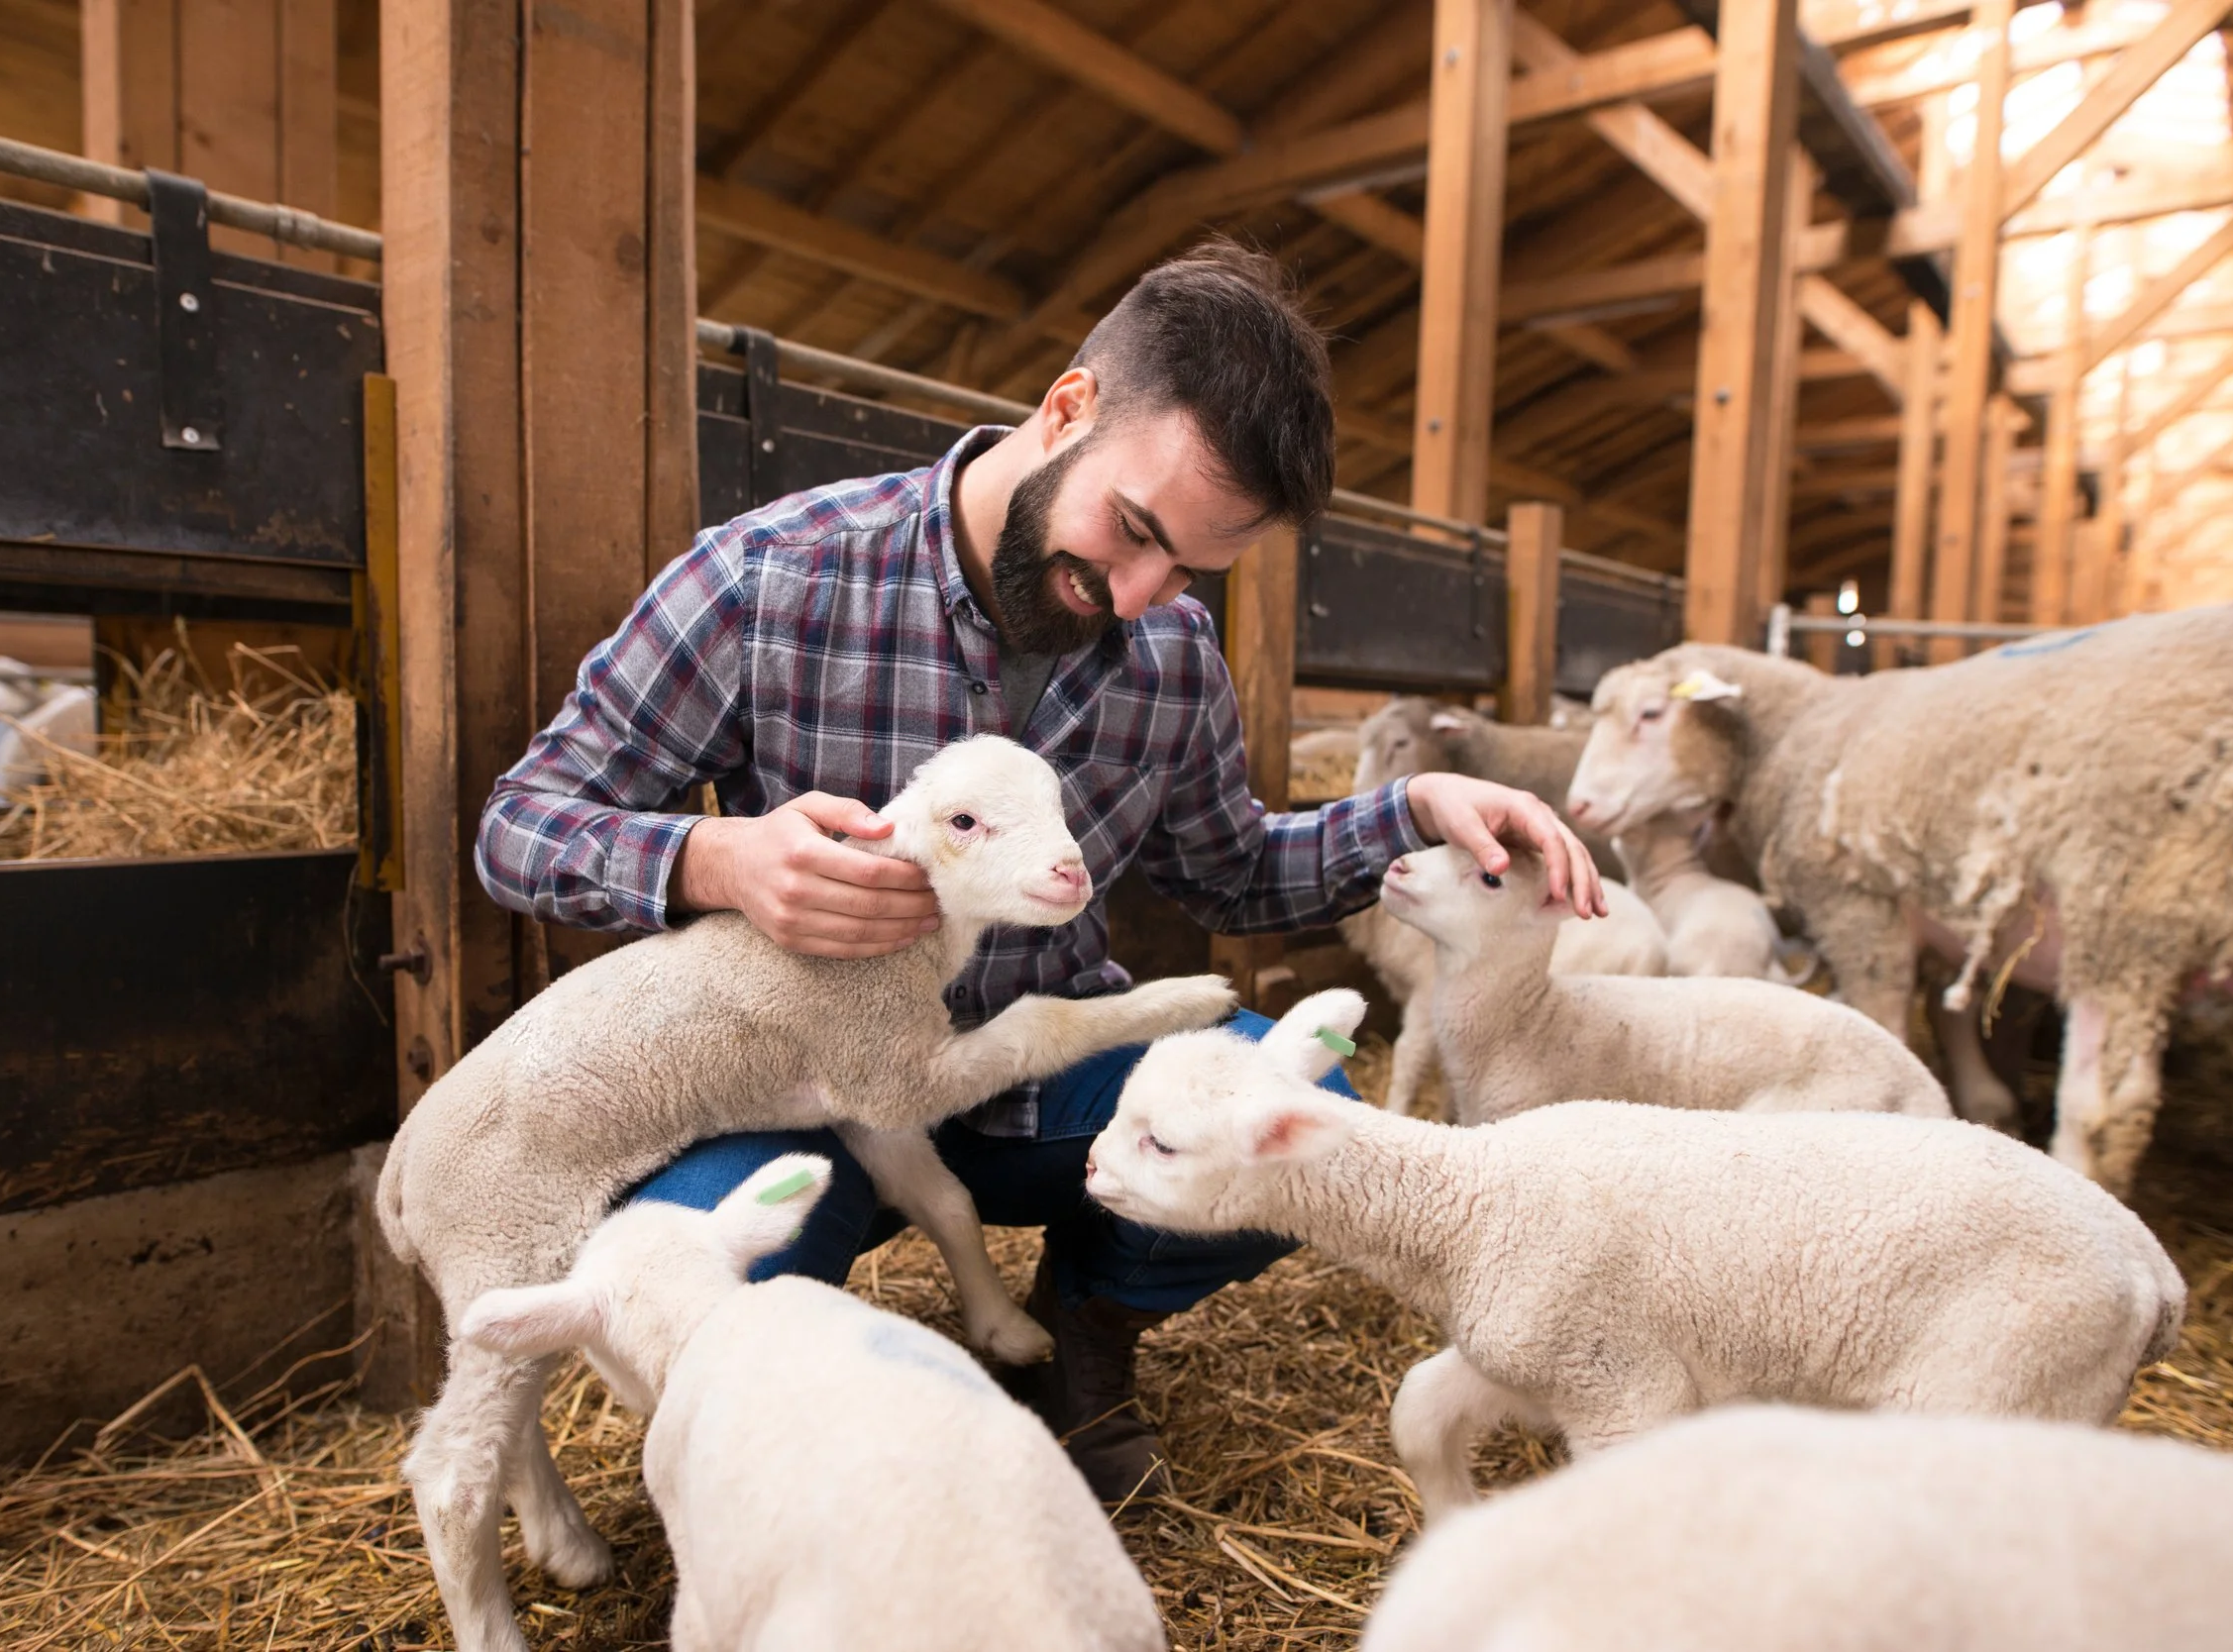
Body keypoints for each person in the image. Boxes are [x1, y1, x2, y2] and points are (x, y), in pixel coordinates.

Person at [476, 240, 1603, 1499]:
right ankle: (798, 1472)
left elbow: (1229, 871)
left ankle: (1082, 1332)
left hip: (1036, 1079)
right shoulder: (772, 578)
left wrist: (1407, 808)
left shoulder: (1169, 652)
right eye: (1131, 533)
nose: (1135, 596)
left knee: (1299, 1104)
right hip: (805, 1085)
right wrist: (715, 857)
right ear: (1069, 408)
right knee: (699, 1276)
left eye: (1187, 570)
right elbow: (521, 825)